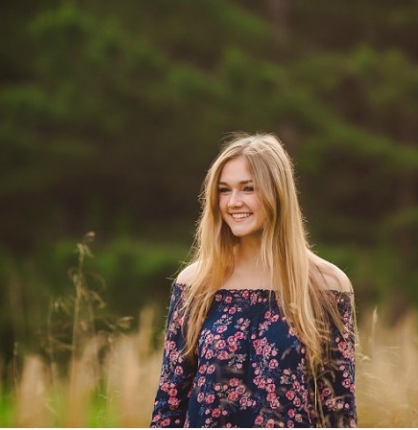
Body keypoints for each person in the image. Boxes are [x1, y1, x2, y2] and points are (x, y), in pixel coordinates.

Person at [150, 133, 357, 428]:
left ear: (277, 193)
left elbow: (339, 412)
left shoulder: (327, 286)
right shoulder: (196, 283)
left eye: (248, 189)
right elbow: (169, 403)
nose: (233, 202)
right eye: (224, 190)